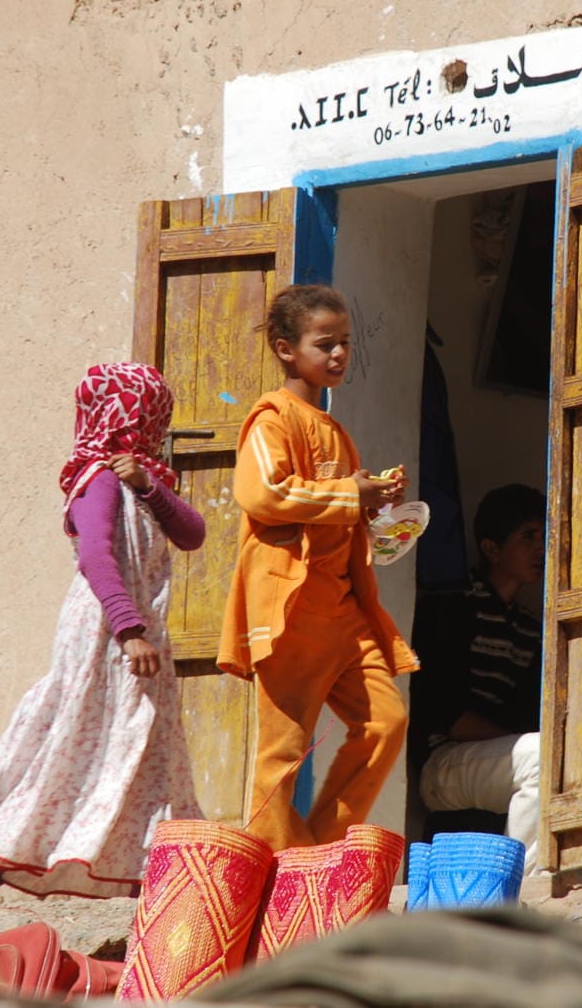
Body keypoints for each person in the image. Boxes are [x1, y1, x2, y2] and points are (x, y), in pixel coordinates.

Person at [0, 362, 206, 904]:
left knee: (145, 746)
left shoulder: (139, 483)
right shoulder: (97, 481)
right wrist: (129, 630)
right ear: (134, 418)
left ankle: (151, 878)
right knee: (73, 744)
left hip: (138, 635)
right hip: (106, 634)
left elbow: (192, 533)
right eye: (152, 416)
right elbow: (95, 556)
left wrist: (150, 486)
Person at [221, 283, 419, 850]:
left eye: (345, 343)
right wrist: (350, 494)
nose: (338, 354)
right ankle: (274, 869)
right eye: (324, 343)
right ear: (286, 350)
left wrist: (374, 503)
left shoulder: (333, 429)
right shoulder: (272, 418)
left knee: (386, 721)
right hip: (293, 609)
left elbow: (337, 507)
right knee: (282, 753)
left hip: (343, 609)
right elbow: (263, 494)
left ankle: (318, 850)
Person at [410, 484, 546, 874]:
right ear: (492, 550)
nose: (541, 548)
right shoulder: (455, 604)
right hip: (441, 766)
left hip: (487, 761)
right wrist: (512, 739)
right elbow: (445, 713)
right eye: (528, 536)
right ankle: (522, 885)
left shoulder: (527, 627)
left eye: (544, 536)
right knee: (542, 756)